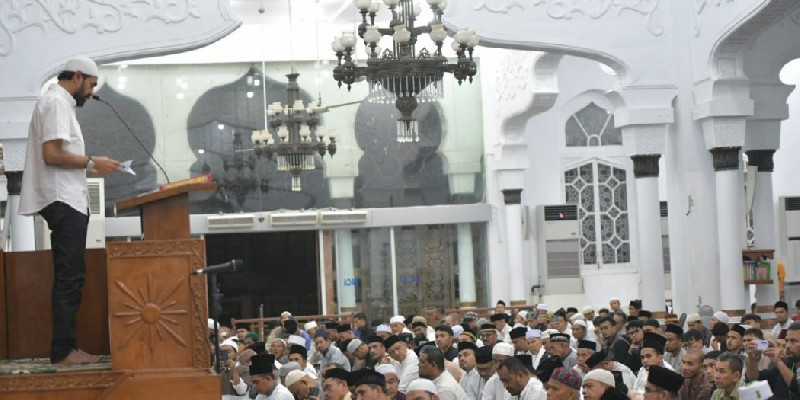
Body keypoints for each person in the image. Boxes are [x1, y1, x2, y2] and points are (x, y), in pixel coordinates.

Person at [20, 56, 121, 365]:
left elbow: (59, 156)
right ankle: (63, 350)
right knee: (70, 277)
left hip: (67, 197)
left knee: (72, 275)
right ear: (77, 76)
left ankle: (66, 348)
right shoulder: (55, 103)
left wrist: (90, 165)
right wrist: (92, 161)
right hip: (62, 200)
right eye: (90, 85)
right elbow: (52, 155)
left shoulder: (59, 103)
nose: (91, 93)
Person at [746, 322, 800, 399]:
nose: (788, 346)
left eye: (793, 341)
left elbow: (796, 387)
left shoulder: (781, 365)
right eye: (787, 341)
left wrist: (778, 361)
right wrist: (751, 358)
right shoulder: (785, 364)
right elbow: (753, 377)